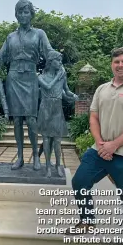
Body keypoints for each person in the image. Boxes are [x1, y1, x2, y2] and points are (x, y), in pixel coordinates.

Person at [65, 47, 123, 245]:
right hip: (99, 151)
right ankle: (87, 220)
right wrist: (101, 143)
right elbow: (93, 117)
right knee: (80, 181)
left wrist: (114, 145)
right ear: (111, 64)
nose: (120, 65)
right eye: (116, 62)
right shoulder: (102, 89)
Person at [0, 0, 54, 171]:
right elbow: (0, 57)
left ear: (31, 14)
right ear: (16, 15)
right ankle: (19, 157)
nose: (23, 15)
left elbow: (48, 52)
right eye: (20, 12)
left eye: (26, 12)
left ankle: (35, 155)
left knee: (32, 119)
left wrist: (55, 58)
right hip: (13, 78)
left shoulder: (39, 34)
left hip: (30, 77)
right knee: (18, 119)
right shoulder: (10, 37)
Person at [37, 50, 78, 178]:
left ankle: (58, 165)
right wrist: (58, 77)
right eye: (58, 60)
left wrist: (73, 97)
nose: (60, 63)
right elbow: (48, 87)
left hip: (57, 108)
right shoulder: (40, 76)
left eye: (61, 61)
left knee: (57, 141)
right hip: (45, 109)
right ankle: (48, 166)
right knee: (46, 139)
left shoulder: (62, 76)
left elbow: (66, 92)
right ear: (50, 62)